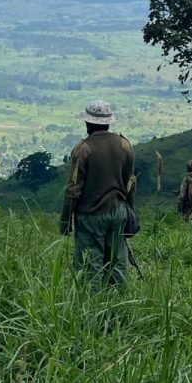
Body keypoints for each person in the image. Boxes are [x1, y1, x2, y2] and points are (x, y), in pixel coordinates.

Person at [60, 100, 136, 285]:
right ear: (108, 122)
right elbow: (131, 183)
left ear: (88, 123)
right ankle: (119, 305)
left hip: (90, 215)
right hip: (118, 211)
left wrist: (65, 220)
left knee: (89, 266)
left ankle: (91, 307)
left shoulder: (82, 150)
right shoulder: (125, 145)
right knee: (118, 262)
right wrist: (129, 211)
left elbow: (73, 190)